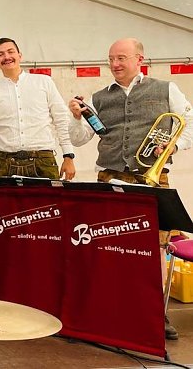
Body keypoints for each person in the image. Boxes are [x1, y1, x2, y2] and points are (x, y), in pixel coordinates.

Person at [68, 37, 193, 340]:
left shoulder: (166, 89)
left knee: (155, 249)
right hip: (110, 178)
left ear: (140, 59)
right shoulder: (98, 97)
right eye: (111, 58)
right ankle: (112, 309)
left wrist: (173, 147)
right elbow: (79, 139)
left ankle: (155, 314)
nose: (115, 64)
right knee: (108, 248)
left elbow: (187, 122)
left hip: (151, 178)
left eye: (121, 58)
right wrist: (75, 118)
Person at [0, 37, 76, 180]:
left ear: (20, 55)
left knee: (49, 203)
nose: (7, 57)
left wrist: (68, 156)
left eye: (10, 52)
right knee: (7, 204)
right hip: (6, 161)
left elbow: (61, 119)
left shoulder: (43, 81)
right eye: (0, 54)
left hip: (43, 159)